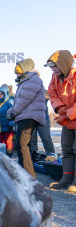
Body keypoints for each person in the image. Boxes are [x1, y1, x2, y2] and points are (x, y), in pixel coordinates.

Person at [6, 58, 46, 178]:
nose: (17, 75)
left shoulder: (33, 80)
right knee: (20, 144)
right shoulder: (26, 81)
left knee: (22, 144)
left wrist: (13, 113)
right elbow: (18, 101)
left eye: (18, 72)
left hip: (30, 116)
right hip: (26, 115)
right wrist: (11, 110)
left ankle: (29, 176)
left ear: (25, 70)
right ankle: (23, 173)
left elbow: (24, 100)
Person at [45, 50, 76, 191]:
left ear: (63, 64)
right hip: (67, 120)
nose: (52, 69)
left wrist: (68, 114)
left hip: (70, 116)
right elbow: (52, 93)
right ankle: (66, 179)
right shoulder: (55, 77)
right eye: (51, 67)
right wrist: (60, 107)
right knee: (67, 149)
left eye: (54, 66)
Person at [29, 90, 56, 161]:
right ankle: (34, 156)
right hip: (31, 118)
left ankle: (51, 155)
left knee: (46, 138)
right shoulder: (28, 91)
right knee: (32, 139)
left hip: (43, 118)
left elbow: (49, 96)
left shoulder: (43, 91)